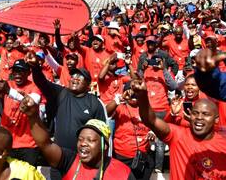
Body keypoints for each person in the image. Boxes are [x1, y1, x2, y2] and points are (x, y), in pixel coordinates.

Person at [25, 51, 108, 179]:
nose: (75, 78)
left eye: (80, 77)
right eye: (73, 75)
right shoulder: (61, 94)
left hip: (82, 160)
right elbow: (42, 82)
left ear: (88, 84)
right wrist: (35, 67)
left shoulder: (95, 103)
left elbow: (102, 137)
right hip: (59, 158)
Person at [19, 95, 135, 180]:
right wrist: (33, 116)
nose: (83, 143)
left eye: (90, 140)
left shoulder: (123, 172)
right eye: (80, 139)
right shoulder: (70, 160)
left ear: (104, 145)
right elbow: (45, 144)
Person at [131, 78, 226, 179]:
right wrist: (142, 96)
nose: (199, 117)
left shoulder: (223, 145)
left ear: (216, 119)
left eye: (205, 114)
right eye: (195, 113)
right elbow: (152, 121)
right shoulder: (178, 136)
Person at [106, 82, 155, 179]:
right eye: (130, 92)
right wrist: (120, 99)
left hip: (142, 156)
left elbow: (153, 124)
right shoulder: (120, 107)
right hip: (123, 156)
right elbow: (106, 112)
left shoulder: (145, 108)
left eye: (136, 92)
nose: (133, 95)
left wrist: (152, 132)